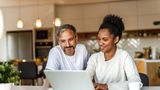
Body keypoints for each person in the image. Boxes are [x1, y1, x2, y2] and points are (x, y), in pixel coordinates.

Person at [86, 14, 141, 90]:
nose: (100, 43)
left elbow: (136, 81)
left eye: (105, 39)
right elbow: (85, 80)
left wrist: (107, 86)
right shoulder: (94, 58)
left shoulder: (124, 56)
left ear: (116, 39)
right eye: (99, 39)